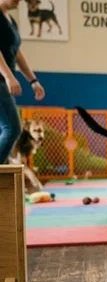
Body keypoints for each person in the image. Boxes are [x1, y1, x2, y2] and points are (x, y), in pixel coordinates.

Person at [0, 0, 46, 164]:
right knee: (12, 128)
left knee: (5, 130)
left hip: (4, 80)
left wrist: (33, 80)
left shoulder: (10, 21)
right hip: (1, 79)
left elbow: (17, 53)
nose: (20, 1)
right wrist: (8, 76)